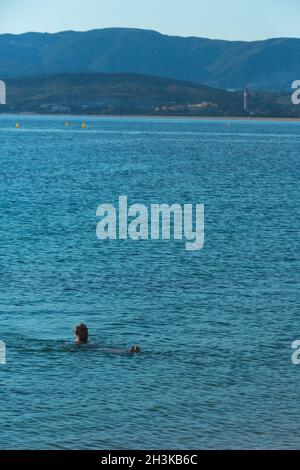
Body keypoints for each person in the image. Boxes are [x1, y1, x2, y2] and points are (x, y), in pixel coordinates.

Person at [74, 324, 141, 353]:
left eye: (86, 330)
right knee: (104, 349)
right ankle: (127, 351)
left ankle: (126, 351)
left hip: (94, 347)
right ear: (77, 332)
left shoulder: (89, 341)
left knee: (105, 348)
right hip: (92, 349)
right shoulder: (76, 344)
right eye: (83, 330)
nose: (86, 332)